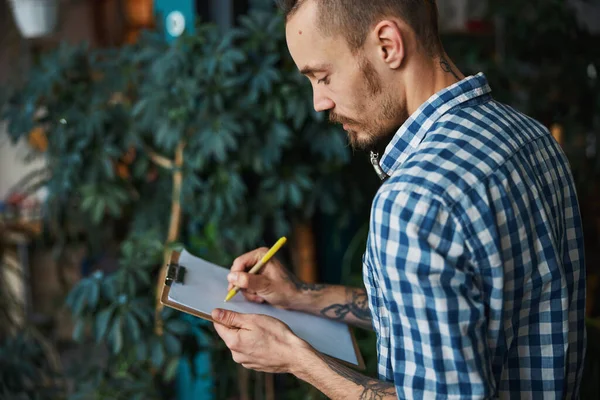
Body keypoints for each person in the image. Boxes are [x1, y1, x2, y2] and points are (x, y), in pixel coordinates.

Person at [211, 0, 587, 398]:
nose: (319, 102)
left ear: (388, 45)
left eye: (322, 76)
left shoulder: (413, 199)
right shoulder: (531, 137)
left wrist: (294, 359)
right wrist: (302, 297)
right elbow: (452, 312)